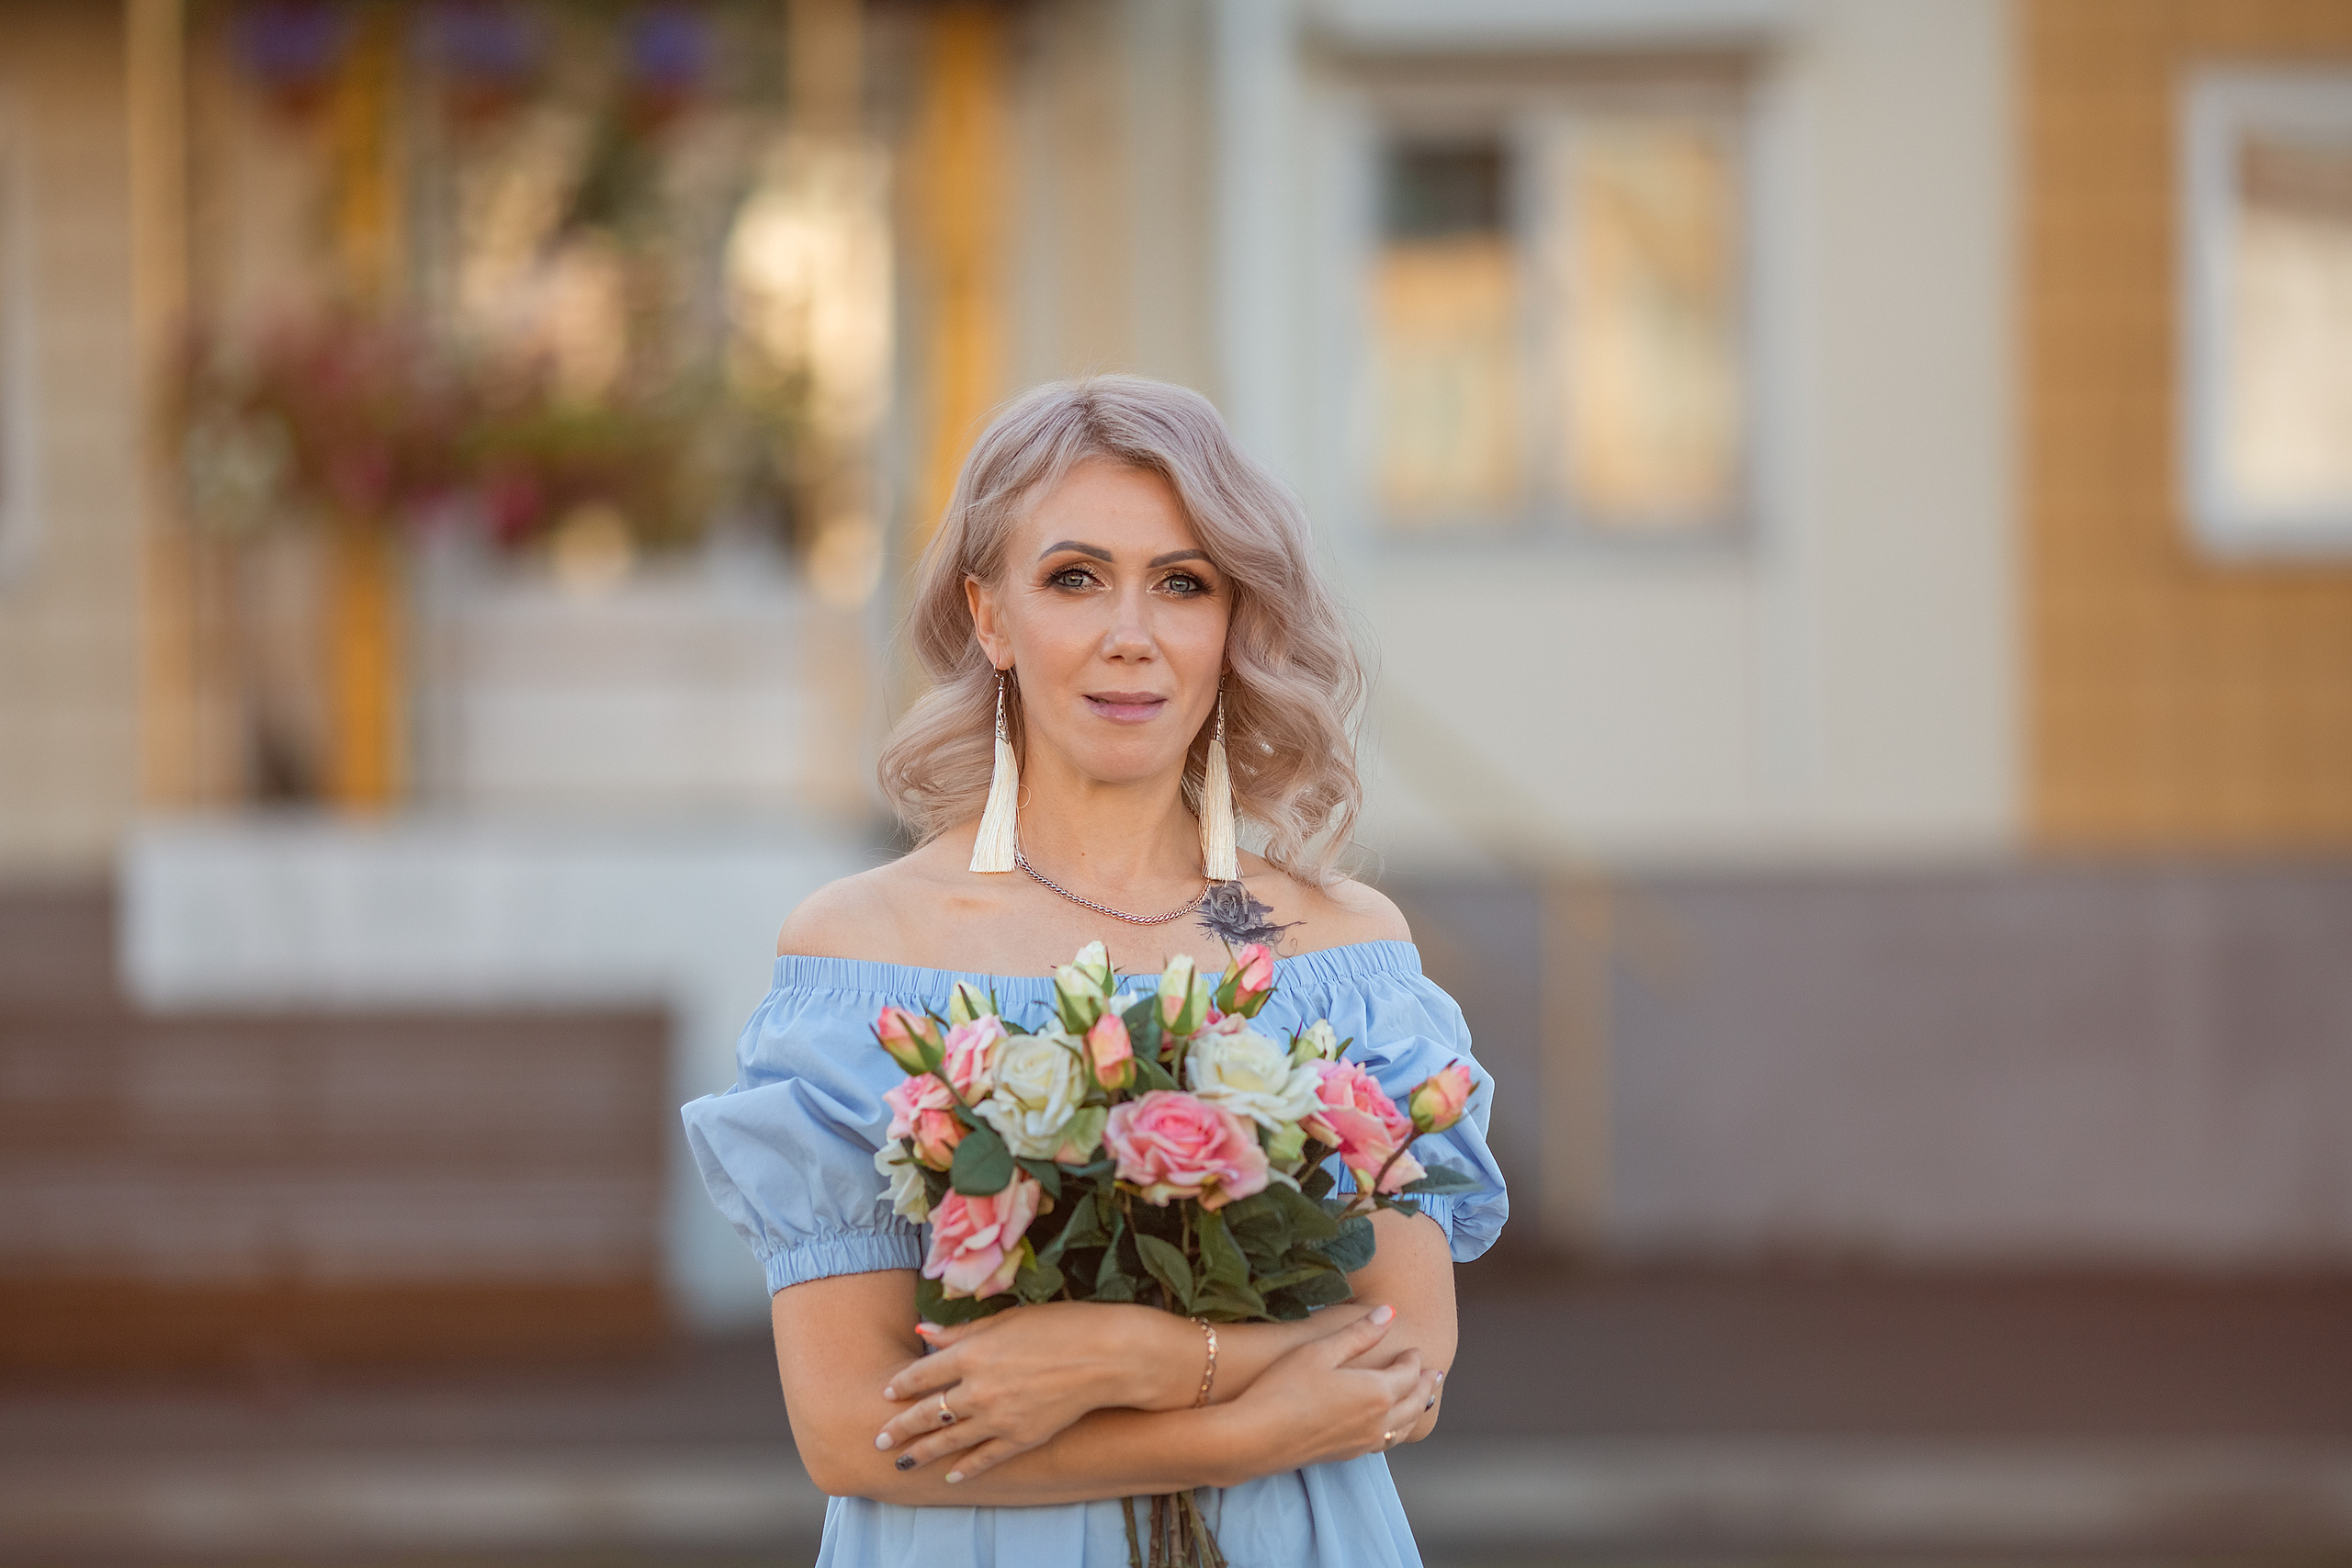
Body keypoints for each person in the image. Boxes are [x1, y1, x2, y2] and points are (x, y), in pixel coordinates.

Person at [683, 375, 1507, 1566]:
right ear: (991, 617)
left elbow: (1408, 1352)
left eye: (1183, 583)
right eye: (1076, 578)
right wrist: (1244, 1426)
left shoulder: (1338, 954)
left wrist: (1140, 1362)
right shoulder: (868, 956)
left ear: (1233, 623)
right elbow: (854, 1429)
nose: (1133, 633)